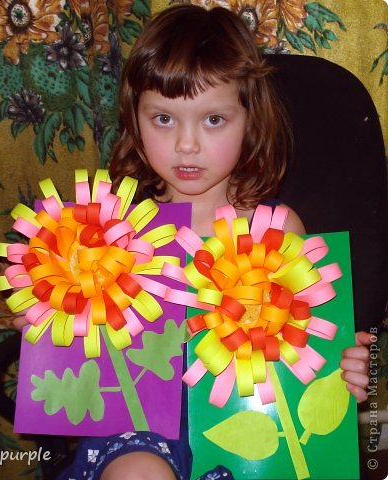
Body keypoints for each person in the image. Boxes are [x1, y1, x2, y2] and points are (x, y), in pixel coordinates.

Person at [53, 4, 371, 479]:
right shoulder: (111, 232)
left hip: (249, 427)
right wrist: (49, 325)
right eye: (164, 119)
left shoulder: (276, 229)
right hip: (138, 429)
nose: (187, 144)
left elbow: (314, 345)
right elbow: (82, 356)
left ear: (250, 119)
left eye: (214, 120)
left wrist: (347, 367)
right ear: (135, 118)